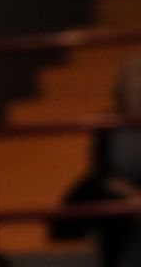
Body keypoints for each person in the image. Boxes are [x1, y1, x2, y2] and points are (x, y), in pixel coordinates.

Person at [56, 56, 141, 267]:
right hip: (120, 198)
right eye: (133, 83)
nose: (137, 89)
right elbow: (101, 172)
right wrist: (130, 196)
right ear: (121, 89)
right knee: (109, 209)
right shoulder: (107, 124)